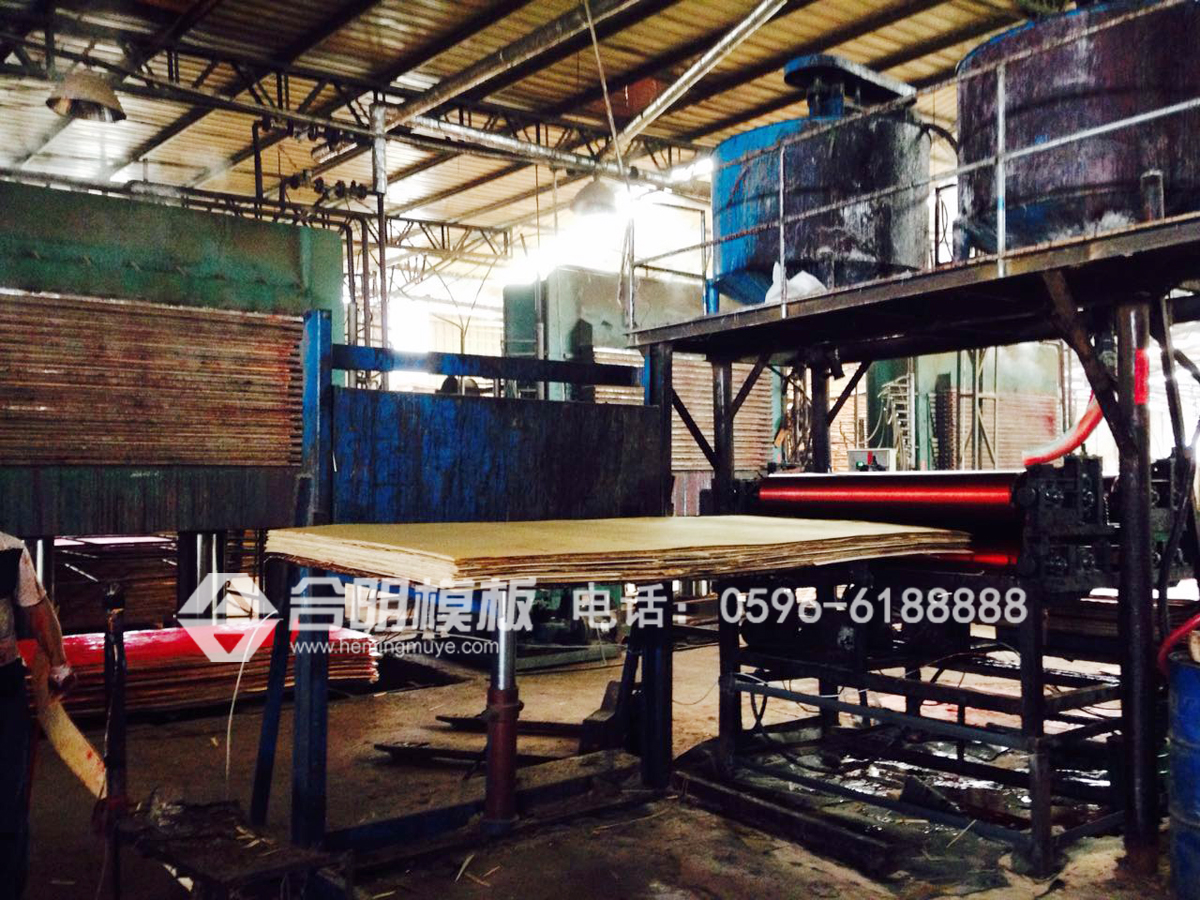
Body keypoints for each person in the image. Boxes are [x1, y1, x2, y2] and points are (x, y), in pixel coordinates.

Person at [0, 533, 72, 900]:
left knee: (7, 803)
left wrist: (59, 665)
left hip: (3, 688)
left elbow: (38, 611)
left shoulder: (8, 550)